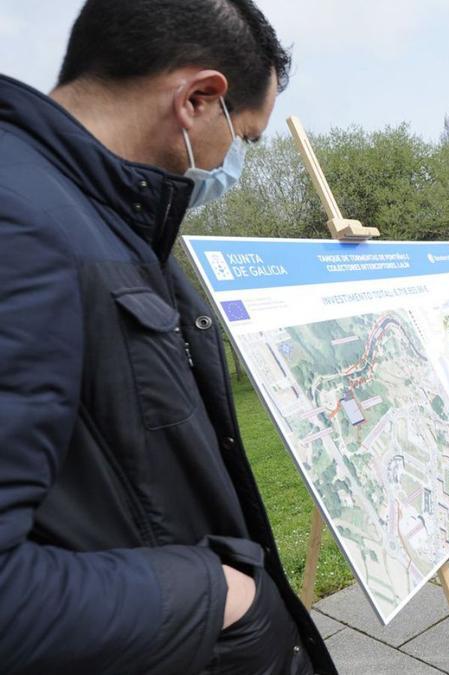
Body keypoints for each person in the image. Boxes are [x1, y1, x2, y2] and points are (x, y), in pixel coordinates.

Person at [0, 1, 334, 673]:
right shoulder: (22, 226)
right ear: (197, 99)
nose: (235, 158)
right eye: (245, 135)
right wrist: (218, 595)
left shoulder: (91, 210)